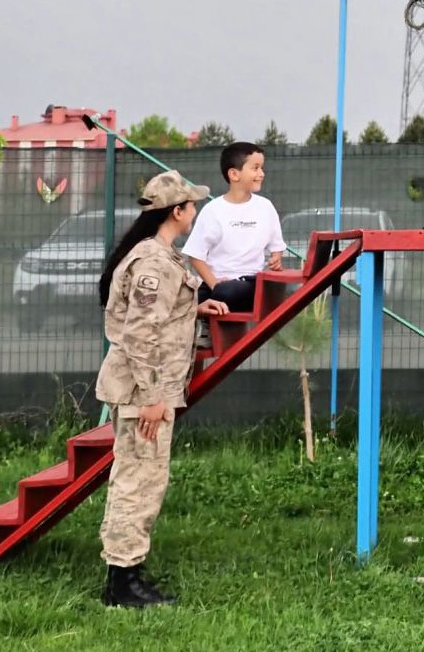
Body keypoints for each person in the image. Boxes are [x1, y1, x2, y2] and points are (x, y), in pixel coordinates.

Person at [94, 169, 229, 608]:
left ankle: (126, 573)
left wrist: (193, 309)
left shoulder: (159, 254)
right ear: (177, 211)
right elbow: (139, 333)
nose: (195, 211)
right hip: (144, 393)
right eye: (192, 205)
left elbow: (157, 316)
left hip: (147, 389)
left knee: (142, 478)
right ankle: (122, 583)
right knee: (138, 482)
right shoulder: (153, 262)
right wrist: (153, 398)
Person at [181, 142, 286, 343]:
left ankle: (210, 318)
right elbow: (195, 255)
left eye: (261, 168)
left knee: (231, 291)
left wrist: (276, 259)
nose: (261, 174)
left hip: (250, 283)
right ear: (234, 174)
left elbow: (277, 248)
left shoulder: (265, 207)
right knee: (187, 297)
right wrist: (214, 284)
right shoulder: (213, 210)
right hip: (216, 284)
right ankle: (201, 326)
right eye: (255, 168)